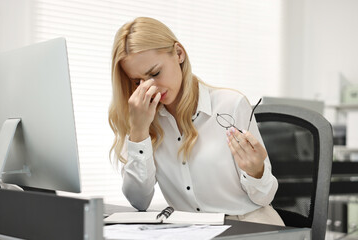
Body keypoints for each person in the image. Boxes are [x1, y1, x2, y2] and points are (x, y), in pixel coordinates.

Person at [108, 17, 284, 226]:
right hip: (190, 230)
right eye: (138, 81)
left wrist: (256, 172)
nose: (150, 88)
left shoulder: (230, 106)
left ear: (179, 54)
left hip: (250, 225)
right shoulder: (144, 118)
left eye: (155, 73)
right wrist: (138, 132)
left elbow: (264, 198)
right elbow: (139, 201)